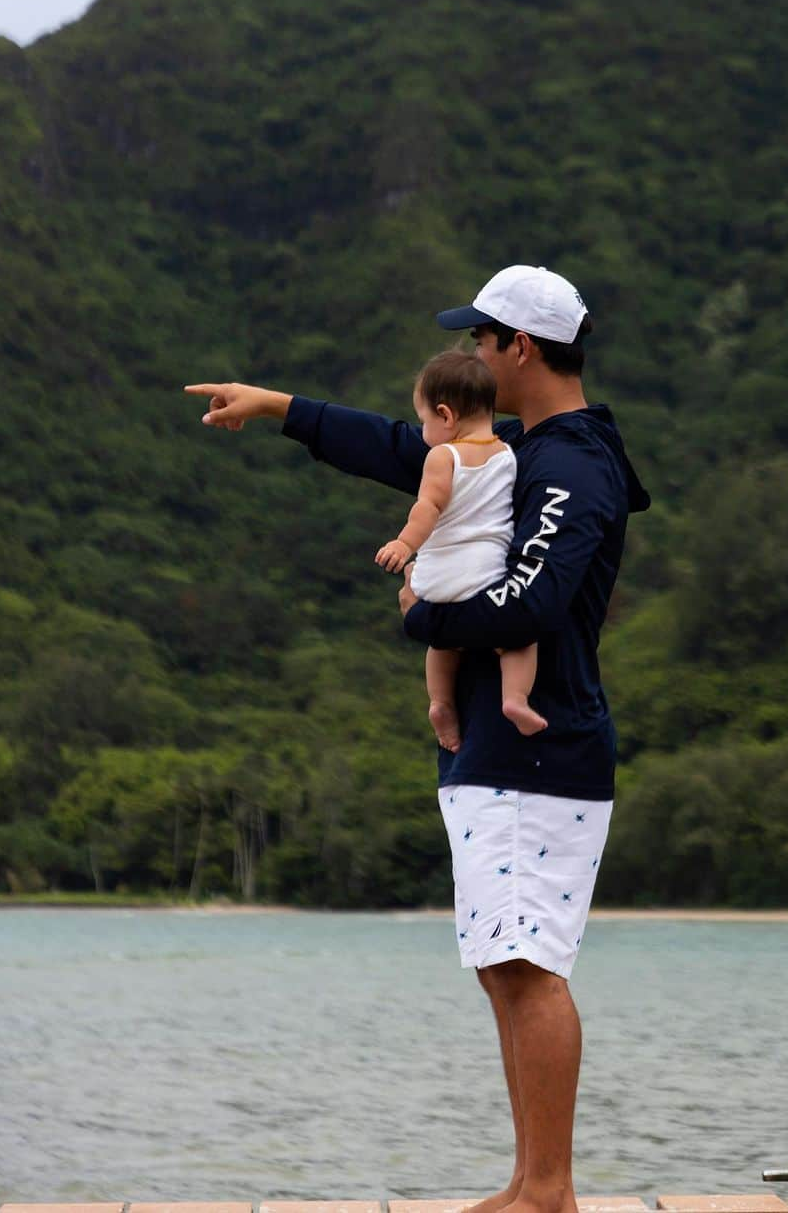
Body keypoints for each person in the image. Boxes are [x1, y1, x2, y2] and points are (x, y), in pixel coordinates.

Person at [184, 263, 650, 1213]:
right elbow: (412, 450)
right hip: (495, 750)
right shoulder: (521, 448)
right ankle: (530, 1182)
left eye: (480, 340)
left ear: (517, 347)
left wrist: (420, 620)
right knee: (501, 966)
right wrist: (281, 406)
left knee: (527, 966)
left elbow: (542, 598)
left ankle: (549, 1190)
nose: (471, 356)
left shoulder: (570, 465)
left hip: (539, 749)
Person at [375, 348, 547, 749]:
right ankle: (515, 698)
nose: (422, 432)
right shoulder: (507, 454)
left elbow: (428, 508)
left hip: (436, 580)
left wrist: (404, 544)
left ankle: (440, 703)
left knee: (441, 643)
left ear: (446, 415)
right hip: (487, 578)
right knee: (519, 638)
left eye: (423, 421)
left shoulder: (442, 456)